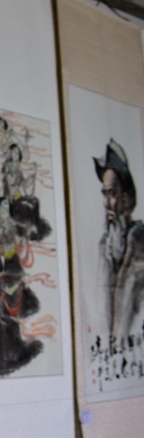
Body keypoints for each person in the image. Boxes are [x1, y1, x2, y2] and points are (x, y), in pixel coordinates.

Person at [96, 139, 144, 340]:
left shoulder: (139, 239)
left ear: (126, 198)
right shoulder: (105, 245)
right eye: (104, 194)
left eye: (112, 194)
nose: (107, 203)